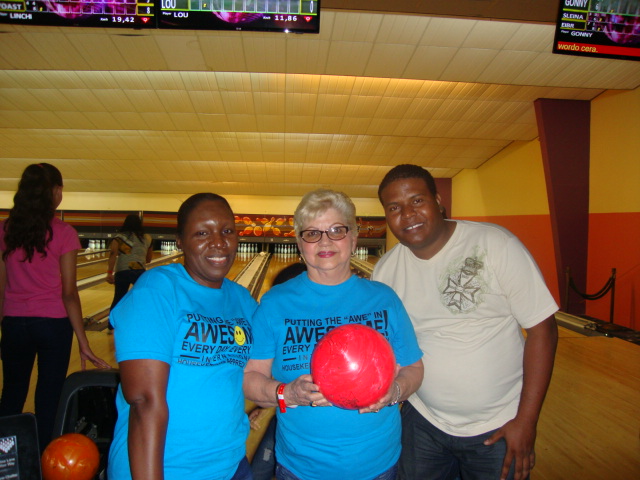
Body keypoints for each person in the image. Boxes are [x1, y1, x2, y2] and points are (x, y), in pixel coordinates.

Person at [371, 164, 559, 480]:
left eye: (417, 201)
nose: (408, 214)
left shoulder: (495, 245)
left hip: (499, 424)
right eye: (395, 207)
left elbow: (543, 331)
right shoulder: (385, 272)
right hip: (423, 421)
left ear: (438, 200)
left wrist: (526, 421)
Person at [244, 189, 424, 480]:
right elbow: (251, 379)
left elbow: (414, 368)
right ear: (300, 243)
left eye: (336, 230)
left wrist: (395, 391)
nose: (325, 241)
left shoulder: (384, 299)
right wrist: (287, 393)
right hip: (301, 468)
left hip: (378, 465)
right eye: (312, 233)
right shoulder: (276, 303)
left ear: (353, 239)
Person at [107, 192, 257, 480]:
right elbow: (143, 401)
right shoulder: (157, 290)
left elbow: (260, 370)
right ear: (180, 241)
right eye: (202, 232)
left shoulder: (242, 300)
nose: (218, 242)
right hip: (165, 470)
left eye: (227, 231)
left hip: (231, 466)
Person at [0, 163, 111, 451]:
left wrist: (5, 326)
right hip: (52, 324)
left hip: (14, 322)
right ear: (56, 192)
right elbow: (69, 293)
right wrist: (84, 342)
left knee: (11, 393)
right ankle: (45, 458)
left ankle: (7, 459)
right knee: (48, 396)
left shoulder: (5, 231)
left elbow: (1, 288)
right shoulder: (64, 232)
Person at [249, 262, 307, 480]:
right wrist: (264, 407)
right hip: (284, 416)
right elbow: (268, 379)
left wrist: (266, 409)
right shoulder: (279, 326)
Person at [105, 214, 153, 330]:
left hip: (122, 270)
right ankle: (141, 322)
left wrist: (109, 272)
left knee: (118, 297)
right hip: (139, 271)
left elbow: (112, 254)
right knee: (141, 298)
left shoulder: (119, 237)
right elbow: (148, 259)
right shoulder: (147, 238)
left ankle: (111, 325)